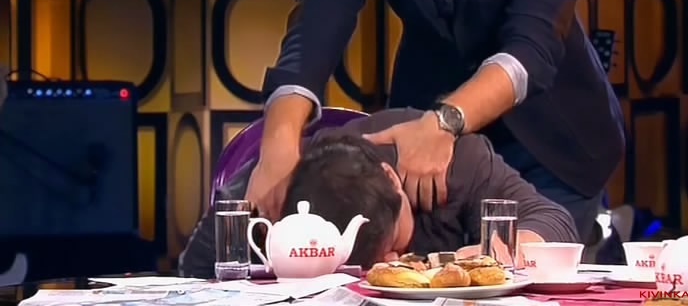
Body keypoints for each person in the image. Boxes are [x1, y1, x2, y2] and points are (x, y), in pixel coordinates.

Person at [248, 0, 625, 247]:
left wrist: (446, 122)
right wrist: (278, 142)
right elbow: (318, 20)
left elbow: (532, 47)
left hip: (551, 142)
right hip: (423, 131)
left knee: (522, 271)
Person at [179, 109, 578, 277]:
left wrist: (501, 250)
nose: (391, 261)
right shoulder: (273, 187)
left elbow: (555, 220)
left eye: (396, 244)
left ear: (392, 177)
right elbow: (197, 269)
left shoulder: (455, 162)